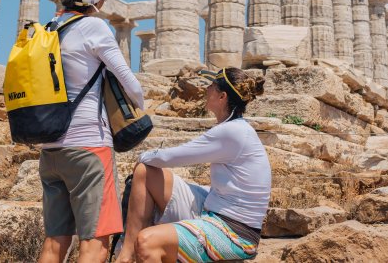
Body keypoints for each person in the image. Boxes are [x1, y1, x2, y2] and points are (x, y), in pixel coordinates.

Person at [38, 0, 145, 263]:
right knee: (96, 241)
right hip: (88, 148)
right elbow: (128, 80)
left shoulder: (50, 26)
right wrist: (142, 106)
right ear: (97, 0)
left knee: (54, 243)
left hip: (50, 150)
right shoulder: (94, 27)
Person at [115, 68, 271, 263]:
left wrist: (142, 154)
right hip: (214, 210)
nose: (206, 89)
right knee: (145, 172)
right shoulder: (234, 128)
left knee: (147, 242)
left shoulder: (232, 132)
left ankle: (133, 253)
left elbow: (171, 157)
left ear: (222, 96)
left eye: (212, 86)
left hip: (235, 234)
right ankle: (126, 255)